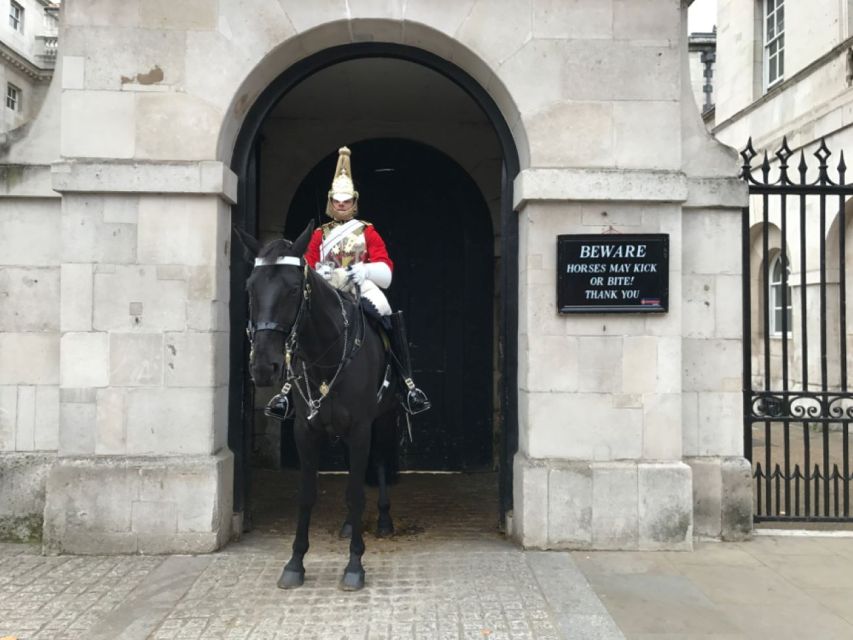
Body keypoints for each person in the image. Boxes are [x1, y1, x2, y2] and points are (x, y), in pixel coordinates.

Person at [303, 146, 430, 416]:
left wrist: (364, 271)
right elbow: (307, 265)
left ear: (354, 201)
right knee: (298, 318)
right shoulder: (318, 235)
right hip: (326, 290)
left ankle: (407, 383)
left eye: (346, 200)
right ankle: (289, 391)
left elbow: (386, 272)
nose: (341, 204)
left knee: (384, 311)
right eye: (337, 200)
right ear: (330, 201)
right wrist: (320, 274)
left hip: (361, 286)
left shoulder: (368, 232)